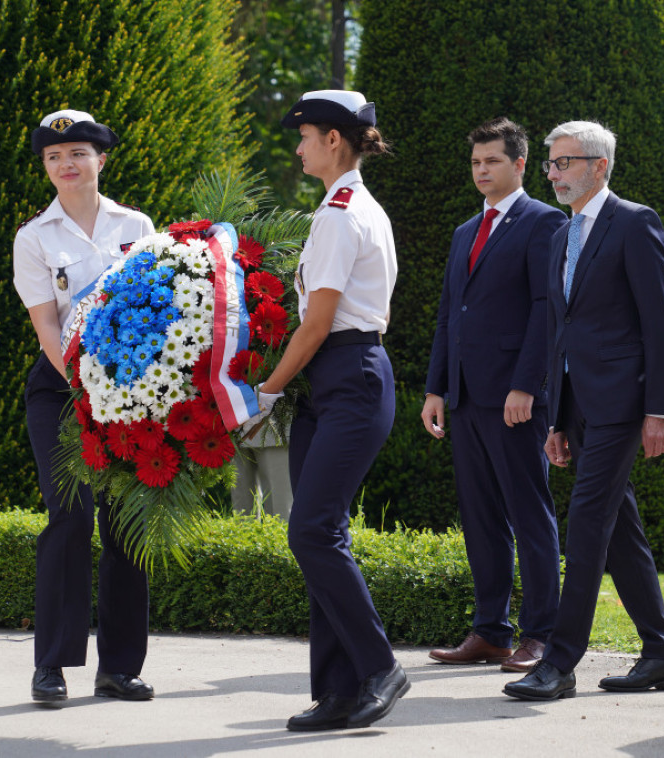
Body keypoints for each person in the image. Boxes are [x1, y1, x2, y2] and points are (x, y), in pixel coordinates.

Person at [503, 120, 664, 702]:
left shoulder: (635, 223)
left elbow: (660, 325)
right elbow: (561, 329)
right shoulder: (560, 235)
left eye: (564, 163)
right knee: (619, 529)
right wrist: (557, 420)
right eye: (550, 164)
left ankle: (559, 662)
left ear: (599, 166)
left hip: (625, 402)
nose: (552, 173)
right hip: (579, 407)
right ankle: (661, 653)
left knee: (585, 523)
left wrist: (660, 409)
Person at [255, 89, 407, 732]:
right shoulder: (342, 208)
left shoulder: (344, 215)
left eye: (306, 136)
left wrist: (263, 391)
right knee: (324, 532)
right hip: (336, 379)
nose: (298, 147)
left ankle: (379, 668)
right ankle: (338, 691)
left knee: (311, 530)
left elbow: (316, 325)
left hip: (347, 375)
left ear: (335, 141)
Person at [13, 109, 155, 704]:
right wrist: (81, 382)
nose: (66, 165)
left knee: (124, 525)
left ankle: (119, 667)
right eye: (53, 156)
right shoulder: (34, 237)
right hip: (61, 389)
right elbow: (47, 323)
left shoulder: (138, 224)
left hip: (130, 394)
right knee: (68, 520)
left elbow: (159, 305)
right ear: (46, 168)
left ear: (101, 159)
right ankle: (53, 665)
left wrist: (127, 388)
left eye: (77, 153)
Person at [422, 117, 565, 673]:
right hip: (463, 397)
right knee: (480, 516)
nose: (482, 171)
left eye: (493, 162)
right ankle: (490, 632)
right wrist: (436, 387)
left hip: (515, 398)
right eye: (476, 163)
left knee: (530, 514)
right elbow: (446, 317)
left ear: (520, 164)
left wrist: (526, 385)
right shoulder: (464, 232)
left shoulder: (544, 222)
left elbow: (546, 310)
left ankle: (543, 635)